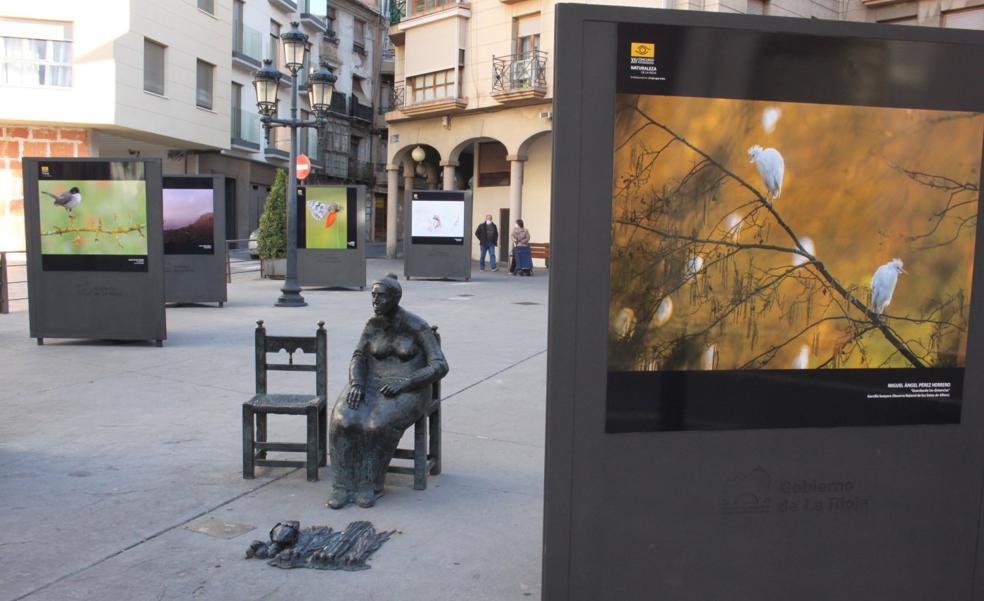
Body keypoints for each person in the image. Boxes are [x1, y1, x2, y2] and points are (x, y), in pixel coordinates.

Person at [328, 274, 449, 509]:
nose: (375, 301)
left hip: (410, 389)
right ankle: (342, 484)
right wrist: (356, 383)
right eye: (373, 295)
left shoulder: (417, 326)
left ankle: (370, 484)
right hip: (370, 383)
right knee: (343, 419)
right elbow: (359, 357)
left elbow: (440, 365)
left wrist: (405, 382)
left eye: (381, 296)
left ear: (395, 297)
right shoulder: (372, 325)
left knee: (376, 424)